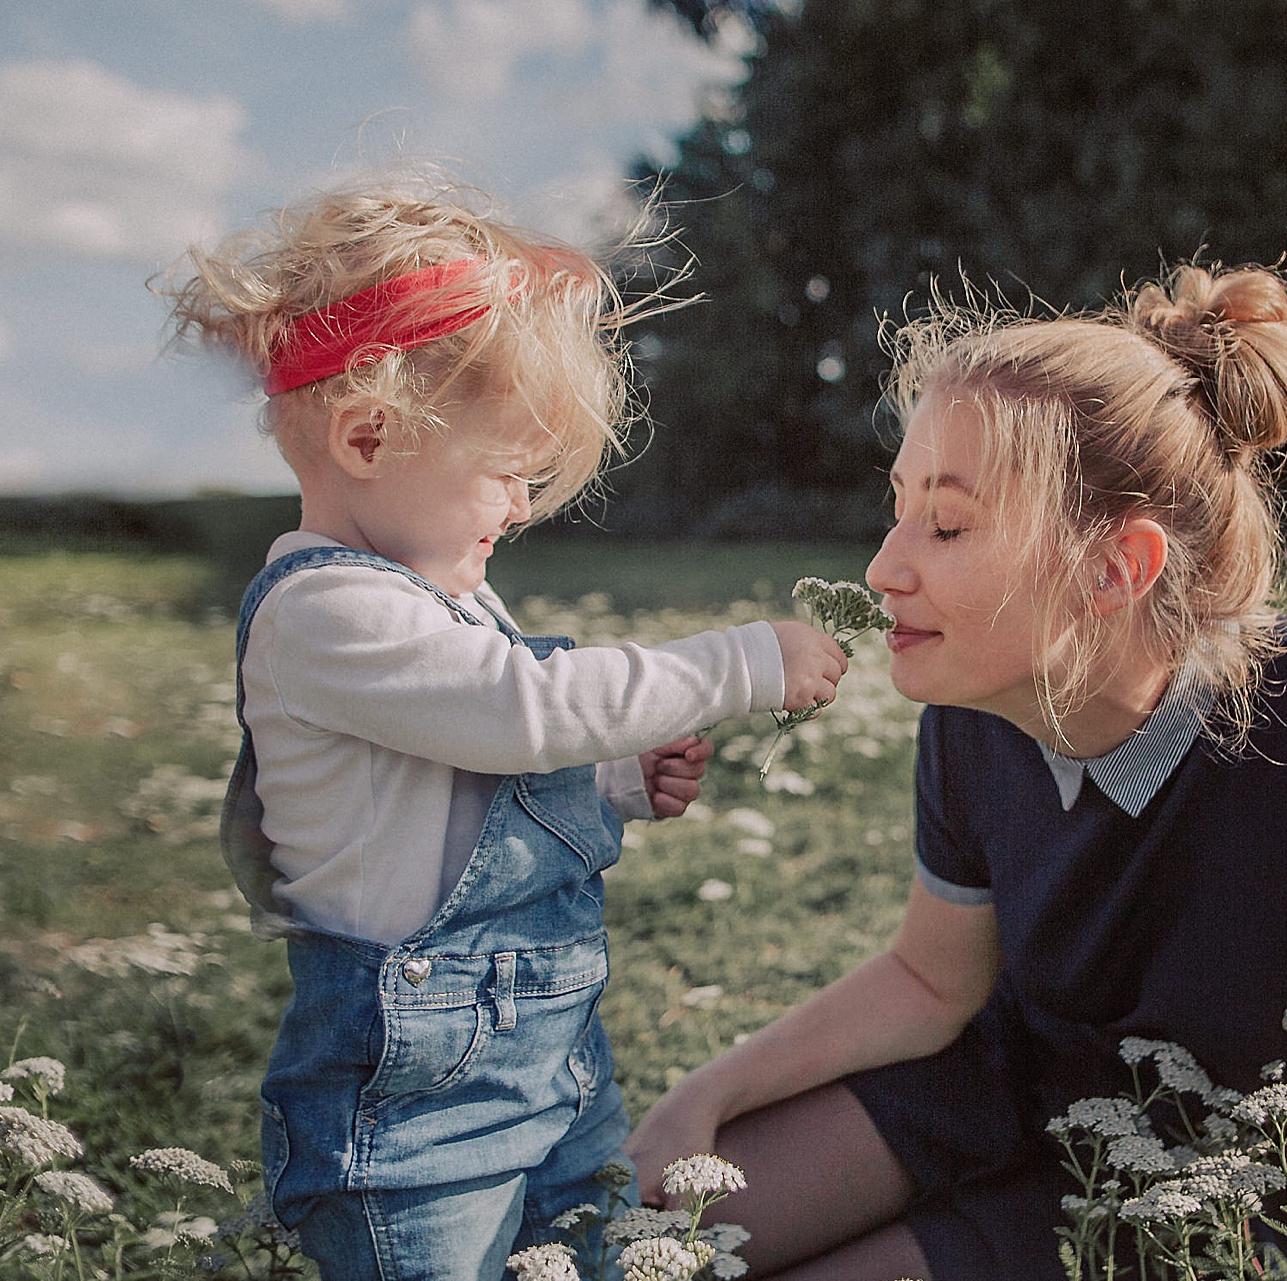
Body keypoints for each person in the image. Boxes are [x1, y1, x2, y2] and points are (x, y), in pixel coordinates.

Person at [625, 262, 1287, 1279]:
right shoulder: (975, 707)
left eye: (950, 524)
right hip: (988, 1092)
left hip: (1192, 1198)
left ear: (1116, 569)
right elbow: (931, 982)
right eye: (899, 508)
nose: (885, 566)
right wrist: (706, 1094)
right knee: (639, 1241)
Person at [161, 174, 849, 1281]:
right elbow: (519, 715)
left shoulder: (443, 599)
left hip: (554, 1072)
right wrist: (743, 660)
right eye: (508, 474)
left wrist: (617, 779)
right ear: (370, 436)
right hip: (415, 1129)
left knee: (596, 1258)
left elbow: (464, 777)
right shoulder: (328, 612)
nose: (523, 508)